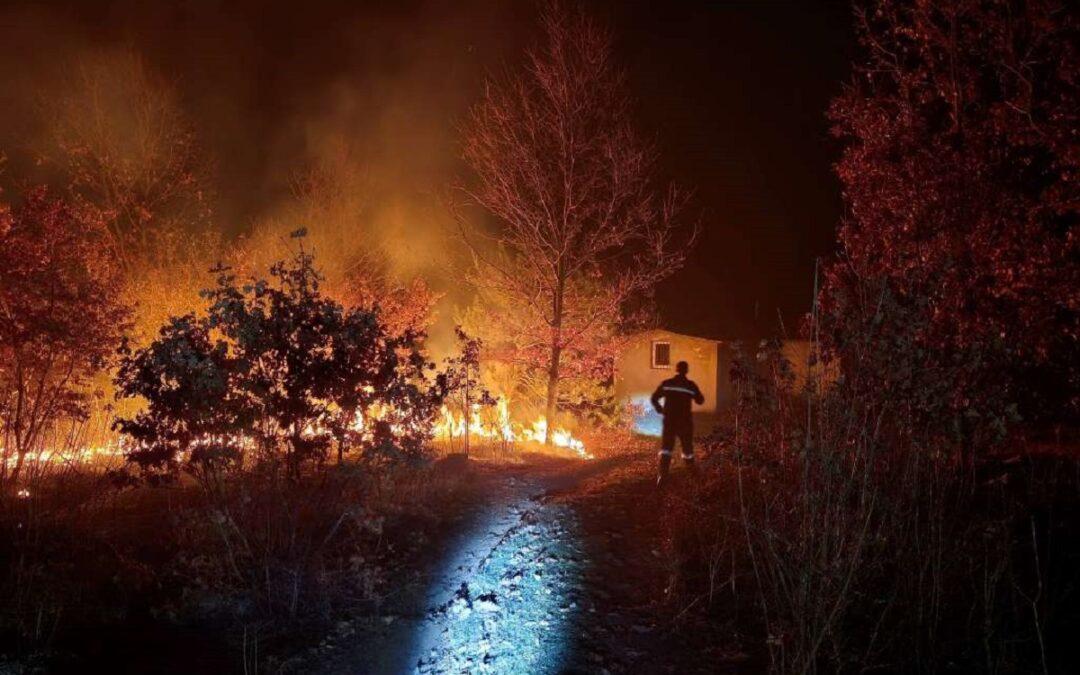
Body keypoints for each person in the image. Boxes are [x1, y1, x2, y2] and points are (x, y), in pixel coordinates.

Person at [650, 360, 704, 487]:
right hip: (685, 422)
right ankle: (692, 475)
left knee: (666, 449)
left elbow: (654, 398)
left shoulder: (667, 383)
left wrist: (660, 409)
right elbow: (700, 400)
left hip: (669, 421)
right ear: (686, 370)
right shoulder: (690, 385)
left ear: (676, 369)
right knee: (687, 449)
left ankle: (662, 476)